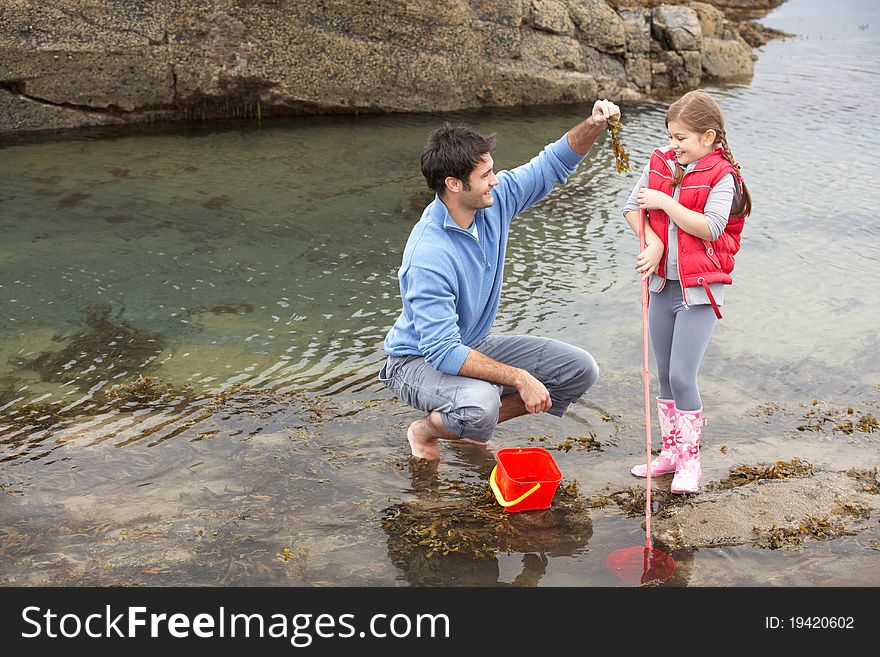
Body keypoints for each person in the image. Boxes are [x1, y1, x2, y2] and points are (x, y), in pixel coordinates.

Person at [381, 99, 620, 460]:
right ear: (454, 184)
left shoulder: (495, 200)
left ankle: (467, 428)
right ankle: (426, 431)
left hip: (470, 343)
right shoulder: (428, 256)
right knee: (481, 403)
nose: (496, 179)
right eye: (485, 175)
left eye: (492, 170)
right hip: (414, 362)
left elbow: (552, 164)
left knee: (578, 369)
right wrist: (520, 379)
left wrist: (594, 125)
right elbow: (442, 351)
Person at [623, 89, 752, 493]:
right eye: (671, 135)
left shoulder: (723, 177)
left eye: (681, 138)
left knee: (682, 375)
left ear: (709, 138)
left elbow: (710, 228)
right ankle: (669, 454)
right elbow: (631, 208)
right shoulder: (662, 162)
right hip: (663, 285)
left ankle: (691, 463)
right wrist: (653, 242)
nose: (672, 145)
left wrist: (664, 200)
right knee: (663, 374)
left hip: (699, 292)